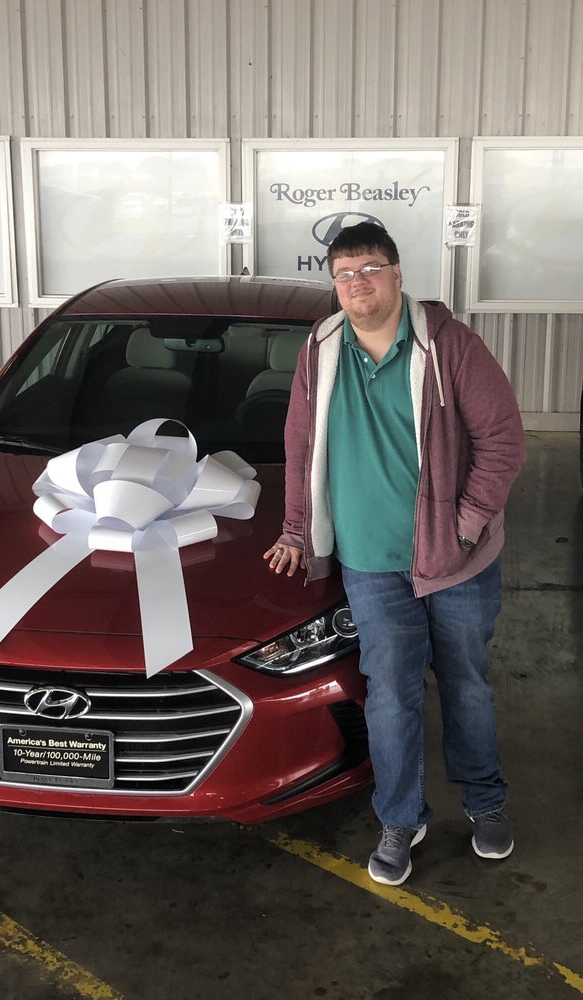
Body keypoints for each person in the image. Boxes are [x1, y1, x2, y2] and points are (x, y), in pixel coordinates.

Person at [264, 222, 525, 886]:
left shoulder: (449, 346)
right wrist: (295, 530)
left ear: (397, 273)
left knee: (465, 685)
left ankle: (484, 801)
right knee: (391, 695)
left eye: (370, 269)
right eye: (344, 274)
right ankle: (400, 818)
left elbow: (502, 440)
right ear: (334, 284)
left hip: (457, 557)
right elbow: (300, 446)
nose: (358, 284)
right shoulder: (321, 347)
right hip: (369, 560)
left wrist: (465, 525)